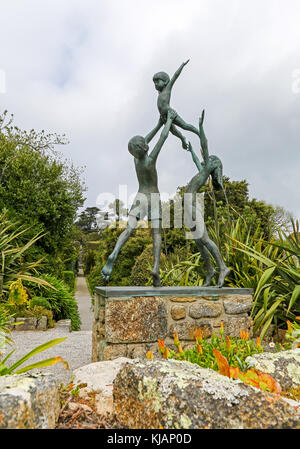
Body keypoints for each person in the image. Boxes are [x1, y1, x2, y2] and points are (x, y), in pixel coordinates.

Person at [101, 108, 178, 287]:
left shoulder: (136, 160)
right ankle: (156, 267)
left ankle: (114, 253)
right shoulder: (150, 160)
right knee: (156, 233)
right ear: (142, 149)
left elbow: (145, 140)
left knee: (129, 229)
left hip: (139, 195)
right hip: (153, 197)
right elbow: (162, 138)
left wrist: (158, 123)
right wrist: (168, 121)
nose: (145, 143)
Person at [185, 109, 230, 287]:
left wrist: (201, 127)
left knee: (204, 239)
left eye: (210, 158)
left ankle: (222, 267)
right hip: (189, 206)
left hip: (193, 206)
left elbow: (204, 143)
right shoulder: (203, 170)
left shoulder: (207, 169)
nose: (207, 157)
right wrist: (191, 151)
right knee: (198, 241)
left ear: (213, 165)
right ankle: (210, 270)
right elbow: (197, 159)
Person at [151, 59, 201, 149]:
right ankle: (182, 138)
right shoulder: (159, 93)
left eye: (158, 81)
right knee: (174, 132)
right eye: (154, 83)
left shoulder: (167, 89)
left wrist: (182, 65)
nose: (156, 84)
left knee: (184, 126)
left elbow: (175, 76)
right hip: (164, 117)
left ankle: (198, 132)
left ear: (165, 81)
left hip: (170, 113)